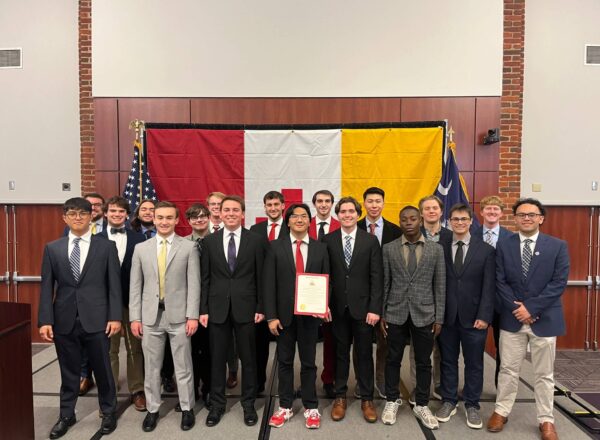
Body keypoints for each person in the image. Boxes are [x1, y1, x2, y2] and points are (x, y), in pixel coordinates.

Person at [39, 197, 121, 439]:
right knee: (69, 371)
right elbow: (46, 287)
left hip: (97, 318)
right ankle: (66, 414)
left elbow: (113, 286)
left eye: (82, 213)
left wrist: (115, 317)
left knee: (103, 369)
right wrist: (45, 320)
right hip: (64, 319)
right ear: (64, 217)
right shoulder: (52, 248)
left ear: (91, 217)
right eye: (72, 213)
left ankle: (108, 412)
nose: (77, 217)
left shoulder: (105, 247)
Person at [487, 198, 569, 440]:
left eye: (531, 214)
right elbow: (499, 280)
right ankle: (501, 411)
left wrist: (531, 309)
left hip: (544, 319)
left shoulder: (557, 246)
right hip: (512, 319)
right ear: (515, 217)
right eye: (521, 214)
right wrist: (518, 309)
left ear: (540, 218)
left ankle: (546, 420)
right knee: (508, 369)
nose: (526, 218)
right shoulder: (504, 244)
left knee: (544, 374)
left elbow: (558, 283)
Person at [129, 201, 200, 432]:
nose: (164, 221)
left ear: (177, 220)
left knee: (183, 365)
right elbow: (135, 286)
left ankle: (187, 407)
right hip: (150, 317)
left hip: (179, 316)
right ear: (153, 218)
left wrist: (192, 315)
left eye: (169, 217)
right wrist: (134, 318)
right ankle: (152, 409)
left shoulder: (188, 248)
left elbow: (194, 284)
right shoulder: (142, 248)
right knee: (152, 366)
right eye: (160, 217)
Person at [200, 195, 266, 427]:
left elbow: (262, 277)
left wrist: (261, 306)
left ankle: (248, 404)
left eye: (234, 210)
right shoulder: (209, 241)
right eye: (225, 209)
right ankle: (217, 405)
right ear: (218, 212)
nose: (229, 213)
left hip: (247, 308)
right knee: (217, 359)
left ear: (242, 214)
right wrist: (203, 309)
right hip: (217, 309)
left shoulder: (256, 241)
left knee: (249, 359)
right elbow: (205, 278)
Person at [265, 203, 330, 429]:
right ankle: (285, 406)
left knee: (309, 362)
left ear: (310, 221)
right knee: (283, 361)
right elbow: (268, 284)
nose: (300, 219)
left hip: (309, 316)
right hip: (282, 317)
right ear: (288, 221)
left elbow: (326, 279)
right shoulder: (275, 247)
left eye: (304, 216)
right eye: (295, 216)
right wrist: (271, 316)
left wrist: (324, 305)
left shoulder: (321, 248)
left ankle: (311, 406)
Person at [380, 205, 445, 429]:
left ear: (420, 220)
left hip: (425, 313)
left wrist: (439, 317)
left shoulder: (436, 250)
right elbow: (385, 283)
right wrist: (382, 313)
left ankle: (422, 403)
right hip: (395, 312)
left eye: (413, 218)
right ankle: (391, 400)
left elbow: (440, 286)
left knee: (423, 361)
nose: (409, 222)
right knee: (392, 359)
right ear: (400, 222)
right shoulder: (389, 249)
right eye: (404, 219)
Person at [435, 203, 495, 429]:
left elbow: (489, 287)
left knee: (474, 363)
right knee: (448, 362)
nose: (459, 223)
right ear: (449, 222)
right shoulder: (440, 246)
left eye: (463, 219)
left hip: (475, 318)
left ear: (471, 222)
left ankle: (472, 404)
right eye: (455, 219)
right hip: (447, 317)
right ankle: (449, 400)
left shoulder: (486, 250)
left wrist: (485, 316)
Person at [323, 196, 382, 423]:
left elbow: (377, 277)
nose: (347, 215)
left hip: (364, 309)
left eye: (351, 211)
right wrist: (323, 304)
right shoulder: (327, 240)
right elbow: (323, 274)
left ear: (358, 214)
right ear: (337, 215)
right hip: (336, 308)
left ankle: (367, 398)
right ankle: (340, 397)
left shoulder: (370, 241)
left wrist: (375, 308)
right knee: (339, 354)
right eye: (343, 212)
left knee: (364, 354)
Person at [99, 196, 146, 411]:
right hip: (104, 304)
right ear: (105, 213)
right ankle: (109, 394)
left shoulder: (139, 239)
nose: (117, 214)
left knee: (134, 347)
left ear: (127, 215)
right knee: (109, 350)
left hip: (131, 300)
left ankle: (137, 389)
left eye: (121, 211)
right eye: (113, 211)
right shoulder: (95, 239)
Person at [406, 194, 452, 404]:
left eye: (435, 208)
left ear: (441, 211)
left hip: (444, 299)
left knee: (443, 348)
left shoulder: (452, 237)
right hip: (417, 304)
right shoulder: (412, 234)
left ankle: (441, 384)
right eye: (427, 208)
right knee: (419, 350)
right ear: (421, 213)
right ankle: (419, 386)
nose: (431, 211)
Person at [357, 187, 401, 398]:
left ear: (384, 204)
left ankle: (381, 381)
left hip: (389, 295)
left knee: (385, 342)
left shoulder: (396, 231)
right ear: (364, 204)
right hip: (361, 295)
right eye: (370, 201)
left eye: (378, 201)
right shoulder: (353, 227)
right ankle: (361, 381)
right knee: (361, 343)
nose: (374, 205)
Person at [470, 195, 513, 386]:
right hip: (477, 302)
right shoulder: (471, 236)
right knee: (475, 348)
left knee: (503, 349)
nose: (492, 212)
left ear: (501, 213)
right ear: (481, 212)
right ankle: (474, 389)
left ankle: (501, 389)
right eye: (488, 209)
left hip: (503, 303)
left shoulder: (512, 238)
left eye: (496, 209)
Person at [250, 190, 289, 394]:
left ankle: (284, 386)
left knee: (285, 345)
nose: (273, 208)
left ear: (283, 206)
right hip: (259, 294)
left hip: (283, 295)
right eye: (269, 205)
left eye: (276, 204)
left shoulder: (292, 227)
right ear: (264, 207)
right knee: (259, 345)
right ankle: (258, 384)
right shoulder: (255, 230)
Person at [308, 189, 340, 398]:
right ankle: (307, 381)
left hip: (332, 291)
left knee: (331, 340)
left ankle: (329, 379)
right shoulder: (303, 223)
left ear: (332, 203)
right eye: (319, 201)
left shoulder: (340, 225)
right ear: (314, 204)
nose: (323, 204)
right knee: (307, 340)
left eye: (327, 201)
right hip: (306, 292)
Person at [184, 203, 212, 407]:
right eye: (195, 217)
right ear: (189, 221)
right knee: (189, 352)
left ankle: (210, 390)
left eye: (203, 216)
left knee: (211, 351)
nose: (199, 220)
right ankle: (191, 391)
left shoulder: (218, 241)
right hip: (189, 306)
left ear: (210, 217)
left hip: (212, 306)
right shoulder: (183, 244)